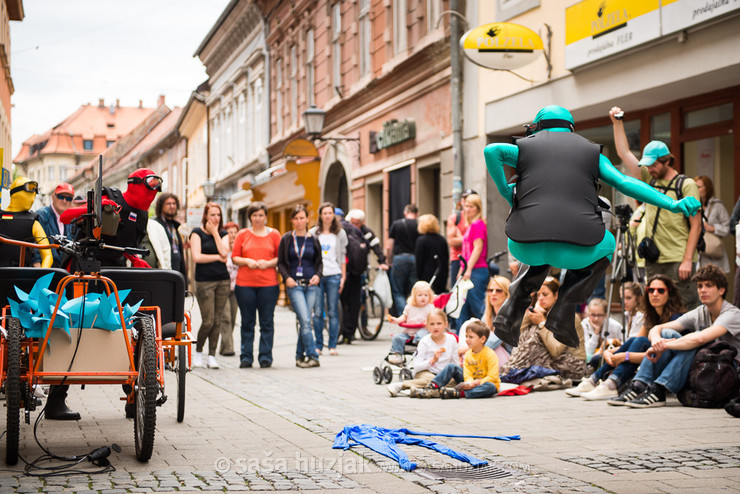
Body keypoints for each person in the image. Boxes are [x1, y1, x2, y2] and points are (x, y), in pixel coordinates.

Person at [485, 105, 699, 351]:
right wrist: (673, 203)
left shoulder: (523, 149)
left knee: (542, 237)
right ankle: (564, 308)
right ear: (571, 128)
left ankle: (510, 311)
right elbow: (625, 182)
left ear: (538, 126)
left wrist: (505, 191)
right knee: (607, 243)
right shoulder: (591, 154)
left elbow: (491, 150)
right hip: (575, 252)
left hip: (522, 245)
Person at [610, 106, 702, 309]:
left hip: (679, 258)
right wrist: (618, 123)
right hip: (653, 258)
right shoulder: (648, 179)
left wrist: (688, 260)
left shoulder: (686, 184)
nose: (649, 169)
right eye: (647, 165)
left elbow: (696, 225)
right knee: (656, 310)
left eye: (653, 165)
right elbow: (624, 153)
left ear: (667, 161)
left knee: (684, 309)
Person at [622, 265, 740, 408]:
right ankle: (640, 384)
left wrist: (664, 345)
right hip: (708, 368)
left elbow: (700, 339)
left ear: (721, 290)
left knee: (693, 339)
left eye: (709, 286)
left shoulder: (732, 314)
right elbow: (657, 328)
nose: (702, 290)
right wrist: (657, 341)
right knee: (666, 333)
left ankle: (659, 389)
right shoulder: (701, 311)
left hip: (731, 371)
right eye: (700, 286)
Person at [567, 275, 684, 401]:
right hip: (648, 360)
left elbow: (659, 355)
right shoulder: (651, 316)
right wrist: (609, 352)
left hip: (669, 368)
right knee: (632, 342)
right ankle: (594, 381)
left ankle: (610, 384)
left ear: (670, 294)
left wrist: (625, 356)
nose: (655, 294)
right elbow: (633, 343)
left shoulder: (676, 319)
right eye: (651, 290)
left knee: (637, 342)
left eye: (660, 290)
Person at [500, 277, 586, 382]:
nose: (540, 298)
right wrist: (533, 311)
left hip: (574, 365)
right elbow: (517, 331)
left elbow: (555, 350)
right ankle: (512, 369)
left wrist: (542, 323)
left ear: (556, 295)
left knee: (536, 333)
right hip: (554, 362)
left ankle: (512, 370)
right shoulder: (543, 311)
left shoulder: (567, 315)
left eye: (545, 294)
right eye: (538, 295)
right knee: (530, 329)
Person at [232, 203, 281, 368]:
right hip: (245, 284)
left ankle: (265, 356)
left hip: (268, 284)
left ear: (265, 216)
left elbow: (280, 258)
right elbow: (234, 257)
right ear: (250, 217)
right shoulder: (242, 234)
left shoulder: (274, 234)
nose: (258, 218)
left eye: (260, 215)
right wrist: (247, 261)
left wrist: (267, 264)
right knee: (247, 322)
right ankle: (246, 357)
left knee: (267, 322)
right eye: (254, 215)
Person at [278, 204, 322, 368]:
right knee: (304, 320)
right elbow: (281, 262)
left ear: (307, 219)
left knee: (305, 321)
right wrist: (287, 277)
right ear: (292, 221)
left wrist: (318, 276)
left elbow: (319, 263)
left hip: (311, 285)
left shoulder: (314, 239)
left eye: (302, 218)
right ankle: (312, 355)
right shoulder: (287, 238)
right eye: (296, 218)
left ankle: (299, 356)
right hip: (294, 285)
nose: (299, 221)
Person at [410, 320, 500, 399]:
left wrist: (477, 383)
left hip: (485, 383)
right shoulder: (468, 354)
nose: (467, 340)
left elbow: (492, 377)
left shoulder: (490, 354)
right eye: (466, 336)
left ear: (482, 339)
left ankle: (459, 393)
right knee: (452, 367)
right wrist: (469, 383)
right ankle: (432, 387)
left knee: (490, 387)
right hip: (471, 382)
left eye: (471, 337)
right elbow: (467, 374)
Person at [190, 202, 230, 370]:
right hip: (204, 282)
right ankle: (198, 351)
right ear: (205, 215)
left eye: (218, 215)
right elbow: (197, 257)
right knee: (208, 320)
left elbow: (225, 253)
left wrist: (214, 233)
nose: (215, 218)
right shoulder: (196, 233)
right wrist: (217, 258)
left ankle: (212, 355)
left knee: (218, 320)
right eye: (212, 214)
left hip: (223, 280)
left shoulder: (223, 233)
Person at [387, 309, 459, 397]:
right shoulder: (424, 341)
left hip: (444, 374)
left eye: (439, 324)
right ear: (427, 326)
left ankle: (422, 391)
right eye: (432, 324)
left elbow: (455, 362)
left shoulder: (452, 339)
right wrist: (432, 360)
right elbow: (417, 367)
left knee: (455, 382)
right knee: (432, 380)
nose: (436, 327)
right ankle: (402, 385)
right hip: (426, 372)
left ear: (445, 324)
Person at [309, 202, 347, 356]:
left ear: (334, 215)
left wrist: (343, 276)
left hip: (334, 274)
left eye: (330, 213)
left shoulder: (340, 233)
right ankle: (318, 345)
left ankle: (332, 345)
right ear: (320, 215)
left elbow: (343, 256)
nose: (327, 216)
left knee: (333, 311)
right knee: (318, 311)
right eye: (324, 213)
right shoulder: (313, 233)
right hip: (318, 276)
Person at [0, 177, 52, 268]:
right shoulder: (33, 223)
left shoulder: (33, 222)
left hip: (22, 277)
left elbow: (48, 255)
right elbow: (47, 255)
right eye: (29, 194)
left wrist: (40, 279)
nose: (32, 198)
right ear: (15, 194)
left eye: (34, 195)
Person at [456, 193, 489, 333]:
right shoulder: (471, 225)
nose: (468, 209)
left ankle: (488, 335)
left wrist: (468, 269)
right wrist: (462, 270)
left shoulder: (477, 225)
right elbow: (466, 252)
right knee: (462, 307)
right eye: (466, 206)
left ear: (478, 209)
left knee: (478, 307)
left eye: (471, 206)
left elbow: (478, 248)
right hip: (469, 271)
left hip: (476, 270)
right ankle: (462, 338)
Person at [335, 207, 368, 345]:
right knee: (354, 302)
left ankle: (341, 331)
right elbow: (372, 244)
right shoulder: (359, 231)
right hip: (356, 272)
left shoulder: (336, 230)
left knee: (341, 303)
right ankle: (350, 333)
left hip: (341, 271)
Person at [387, 280, 436, 364]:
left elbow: (434, 319)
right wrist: (396, 320)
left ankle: (421, 350)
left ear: (430, 296)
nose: (423, 297)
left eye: (426, 295)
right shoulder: (409, 307)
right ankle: (398, 355)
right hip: (408, 333)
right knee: (397, 337)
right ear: (414, 296)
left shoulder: (430, 308)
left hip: (422, 331)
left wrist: (429, 322)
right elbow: (404, 317)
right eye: (420, 295)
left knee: (422, 334)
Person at [387, 204, 419, 316]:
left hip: (399, 258)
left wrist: (388, 261)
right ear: (417, 213)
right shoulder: (419, 224)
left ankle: (405, 314)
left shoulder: (397, 224)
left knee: (397, 290)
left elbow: (389, 245)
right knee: (414, 290)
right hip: (415, 258)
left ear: (405, 213)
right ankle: (415, 314)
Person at [34, 182, 75, 267]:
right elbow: (35, 248)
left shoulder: (73, 220)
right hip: (46, 270)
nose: (64, 201)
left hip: (65, 273)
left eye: (68, 198)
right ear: (53, 197)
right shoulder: (41, 215)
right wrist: (38, 272)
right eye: (61, 196)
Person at [695, 175, 730, 273]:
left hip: (713, 255)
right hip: (697, 254)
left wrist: (712, 228)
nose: (696, 189)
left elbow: (728, 227)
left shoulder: (717, 205)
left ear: (707, 188)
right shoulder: (692, 205)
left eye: (699, 187)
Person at [153, 193, 187, 281]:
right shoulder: (155, 225)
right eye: (168, 204)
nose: (172, 206)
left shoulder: (175, 226)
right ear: (161, 206)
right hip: (164, 272)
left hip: (177, 272)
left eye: (174, 203)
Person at [446, 189, 475, 288]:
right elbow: (452, 241)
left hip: (474, 260)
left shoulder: (479, 220)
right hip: (458, 258)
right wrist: (470, 239)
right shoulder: (455, 218)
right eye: (465, 199)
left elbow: (481, 243)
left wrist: (461, 237)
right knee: (456, 292)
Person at [414, 214, 449, 295]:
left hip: (426, 276)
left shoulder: (421, 240)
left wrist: (418, 278)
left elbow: (419, 262)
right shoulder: (442, 240)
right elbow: (446, 259)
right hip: (441, 275)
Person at [482, 276, 511, 368]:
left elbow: (490, 344)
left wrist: (469, 350)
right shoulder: (488, 314)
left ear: (507, 294)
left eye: (499, 291)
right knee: (470, 323)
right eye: (490, 290)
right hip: (491, 356)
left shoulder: (510, 315)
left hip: (510, 362)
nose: (493, 294)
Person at [581, 298, 623, 363]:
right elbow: (588, 352)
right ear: (588, 314)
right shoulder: (584, 325)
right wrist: (596, 333)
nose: (596, 318)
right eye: (593, 315)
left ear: (605, 315)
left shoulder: (615, 326)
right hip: (591, 360)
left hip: (612, 357)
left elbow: (625, 343)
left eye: (599, 315)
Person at [221, 221, 240, 357]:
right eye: (229, 232)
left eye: (235, 232)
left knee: (232, 318)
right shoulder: (222, 248)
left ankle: (223, 345)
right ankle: (228, 348)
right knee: (226, 317)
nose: (233, 235)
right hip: (223, 287)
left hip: (236, 288)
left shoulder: (240, 249)